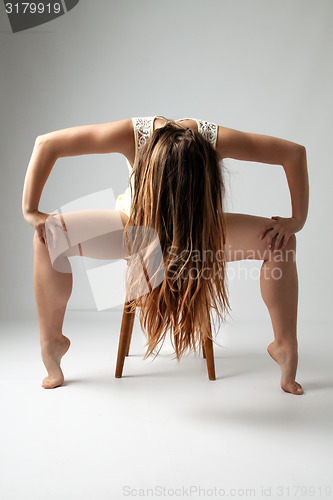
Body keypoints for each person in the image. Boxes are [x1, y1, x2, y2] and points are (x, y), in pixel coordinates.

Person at [22, 115, 309, 394]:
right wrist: (30, 209)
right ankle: (52, 342)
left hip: (199, 231)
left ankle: (285, 345)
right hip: (137, 227)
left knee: (281, 243)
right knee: (48, 238)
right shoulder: (133, 135)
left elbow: (293, 153)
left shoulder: (213, 141)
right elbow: (47, 144)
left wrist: (297, 220)